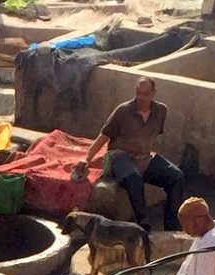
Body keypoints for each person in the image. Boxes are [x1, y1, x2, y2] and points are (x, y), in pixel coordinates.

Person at [74, 78, 184, 232]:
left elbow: (153, 137)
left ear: (153, 93)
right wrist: (86, 159)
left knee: (176, 176)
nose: (141, 97)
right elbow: (103, 136)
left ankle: (171, 227)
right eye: (138, 93)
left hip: (144, 157)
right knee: (133, 177)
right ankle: (143, 223)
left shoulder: (161, 111)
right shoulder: (123, 111)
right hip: (119, 156)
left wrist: (150, 158)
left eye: (145, 94)